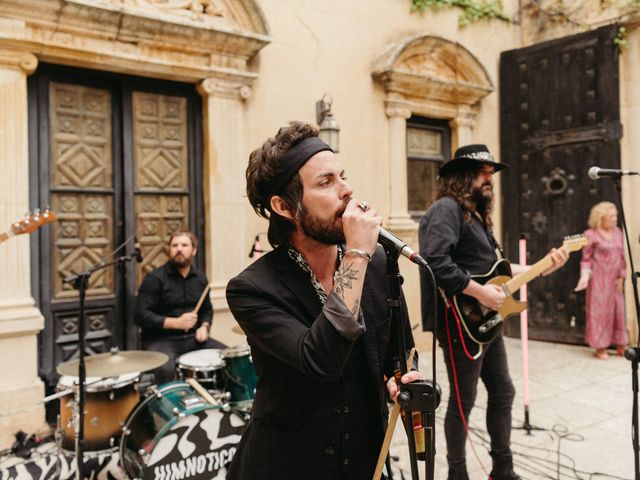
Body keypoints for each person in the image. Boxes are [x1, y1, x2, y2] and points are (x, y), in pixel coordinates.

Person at [225, 121, 420, 480]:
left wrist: (403, 380)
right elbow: (320, 358)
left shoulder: (378, 265)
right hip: (288, 465)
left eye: (342, 176)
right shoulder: (252, 289)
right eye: (325, 182)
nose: (347, 191)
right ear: (284, 206)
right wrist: (357, 253)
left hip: (367, 462)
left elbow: (401, 351)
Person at [418, 144, 569, 480]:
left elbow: (493, 268)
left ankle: (503, 468)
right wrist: (481, 292)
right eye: (482, 173)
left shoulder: (477, 216)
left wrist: (539, 267)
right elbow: (436, 262)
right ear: (461, 176)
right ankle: (457, 473)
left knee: (503, 391)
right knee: (463, 400)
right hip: (459, 321)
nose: (489, 179)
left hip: (486, 323)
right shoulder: (446, 210)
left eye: (490, 174)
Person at [135, 230, 225, 384]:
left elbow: (206, 310)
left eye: (184, 245)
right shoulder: (155, 278)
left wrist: (204, 326)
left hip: (193, 338)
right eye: (174, 245)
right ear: (169, 250)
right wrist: (175, 322)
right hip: (161, 340)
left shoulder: (200, 278)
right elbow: (140, 315)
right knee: (166, 369)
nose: (179, 249)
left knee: (228, 357)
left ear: (194, 250)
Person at [574, 201, 628, 359]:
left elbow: (622, 256)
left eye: (615, 215)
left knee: (618, 311)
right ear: (601, 217)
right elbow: (586, 259)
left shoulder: (618, 232)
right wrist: (584, 276)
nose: (615, 218)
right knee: (600, 313)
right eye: (611, 216)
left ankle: (621, 344)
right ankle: (600, 347)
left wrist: (622, 276)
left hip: (615, 280)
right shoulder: (590, 235)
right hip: (599, 281)